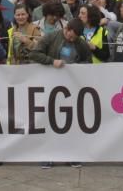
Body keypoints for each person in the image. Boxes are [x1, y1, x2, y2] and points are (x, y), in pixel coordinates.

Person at [30, 18, 90, 169]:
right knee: (50, 121)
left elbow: (88, 62)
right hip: (50, 85)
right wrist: (51, 61)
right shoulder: (51, 36)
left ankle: (71, 155)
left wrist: (77, 67)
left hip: (71, 88)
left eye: (75, 38)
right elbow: (35, 54)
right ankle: (48, 155)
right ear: (67, 29)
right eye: (70, 36)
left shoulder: (80, 43)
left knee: (71, 122)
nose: (71, 39)